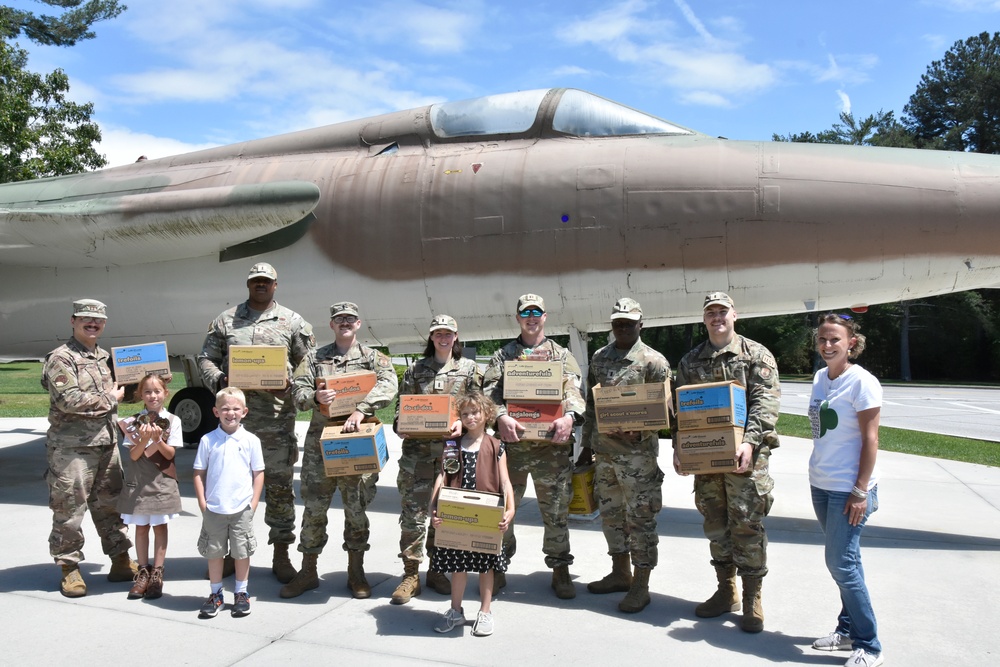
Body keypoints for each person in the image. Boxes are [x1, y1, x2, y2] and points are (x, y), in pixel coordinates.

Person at [197, 261, 315, 584]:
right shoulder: (226, 320)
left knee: (279, 491)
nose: (260, 285)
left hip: (276, 424)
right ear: (248, 285)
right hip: (232, 426)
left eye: (266, 281)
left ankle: (281, 554)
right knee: (229, 489)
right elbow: (204, 358)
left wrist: (293, 384)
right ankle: (232, 554)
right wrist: (221, 379)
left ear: (276, 285)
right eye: (255, 281)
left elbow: (308, 361)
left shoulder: (292, 322)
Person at [672, 291, 780, 633]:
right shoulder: (691, 361)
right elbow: (682, 410)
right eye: (710, 313)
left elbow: (765, 404)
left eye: (722, 311)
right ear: (704, 319)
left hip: (746, 459)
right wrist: (680, 447)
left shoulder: (756, 355)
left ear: (735, 315)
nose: (716, 317)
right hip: (707, 459)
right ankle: (725, 589)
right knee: (716, 524)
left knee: (747, 525)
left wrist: (749, 443)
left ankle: (752, 597)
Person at [282, 301, 398, 599]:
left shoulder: (373, 359)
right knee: (314, 508)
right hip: (321, 446)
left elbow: (388, 385)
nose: (344, 323)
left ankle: (356, 572)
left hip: (357, 443)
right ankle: (308, 570)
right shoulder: (314, 358)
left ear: (358, 324)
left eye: (350, 319)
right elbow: (298, 393)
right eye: (339, 319)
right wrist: (316, 396)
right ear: (332, 325)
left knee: (356, 508)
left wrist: (361, 409)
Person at [481, 293, 586, 599]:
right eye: (525, 313)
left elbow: (574, 391)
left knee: (556, 512)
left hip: (550, 450)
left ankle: (560, 568)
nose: (531, 317)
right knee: (502, 509)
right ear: (518, 318)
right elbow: (489, 393)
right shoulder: (503, 356)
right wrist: (500, 416)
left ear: (544, 316)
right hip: (510, 450)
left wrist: (568, 417)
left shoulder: (561, 355)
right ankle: (497, 566)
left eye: (536, 312)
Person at [577, 298, 669, 613]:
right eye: (618, 322)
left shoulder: (653, 361)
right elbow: (591, 406)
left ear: (640, 324)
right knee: (611, 516)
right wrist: (586, 447)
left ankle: (641, 583)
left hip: (638, 458)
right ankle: (620, 571)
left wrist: (640, 431)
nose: (623, 327)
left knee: (641, 518)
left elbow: (666, 410)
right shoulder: (600, 358)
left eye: (629, 323)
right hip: (604, 454)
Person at [41, 298, 136, 597]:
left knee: (112, 506)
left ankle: (120, 559)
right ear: (73, 321)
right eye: (85, 319)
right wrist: (112, 399)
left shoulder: (105, 357)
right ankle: (69, 568)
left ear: (104, 324)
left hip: (106, 443)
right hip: (72, 449)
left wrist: (147, 385)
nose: (91, 323)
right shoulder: (61, 358)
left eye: (97, 320)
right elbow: (68, 399)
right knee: (69, 509)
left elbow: (119, 395)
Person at [807, 314, 884, 667]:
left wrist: (860, 490)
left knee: (840, 562)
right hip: (821, 484)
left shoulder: (862, 382)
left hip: (849, 489)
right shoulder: (821, 377)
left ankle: (869, 646)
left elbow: (871, 439)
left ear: (851, 342)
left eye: (834, 339)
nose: (827, 345)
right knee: (846, 563)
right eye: (823, 338)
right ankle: (847, 629)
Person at [391, 315, 482, 604]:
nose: (443, 338)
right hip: (417, 456)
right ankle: (410, 575)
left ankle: (437, 570)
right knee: (413, 516)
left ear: (456, 337)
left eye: (448, 333)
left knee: (445, 515)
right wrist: (400, 425)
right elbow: (399, 409)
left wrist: (464, 425)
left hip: (452, 456)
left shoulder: (469, 370)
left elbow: (480, 410)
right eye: (437, 333)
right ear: (431, 337)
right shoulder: (415, 370)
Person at [429, 392, 515, 637]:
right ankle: (455, 611)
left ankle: (485, 612)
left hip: (486, 515)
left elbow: (506, 482)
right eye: (465, 414)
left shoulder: (496, 446)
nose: (470, 417)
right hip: (457, 514)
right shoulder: (452, 445)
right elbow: (442, 477)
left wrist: (510, 510)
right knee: (458, 565)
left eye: (475, 412)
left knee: (485, 566)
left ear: (486, 413)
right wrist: (433, 508)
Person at [193, 387, 265, 619]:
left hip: (241, 508)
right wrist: (203, 503)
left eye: (235, 409)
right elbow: (198, 472)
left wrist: (253, 503)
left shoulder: (251, 440)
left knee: (241, 551)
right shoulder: (208, 440)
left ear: (245, 411)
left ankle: (241, 593)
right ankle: (216, 594)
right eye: (225, 409)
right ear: (215, 412)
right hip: (214, 508)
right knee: (214, 553)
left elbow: (258, 473)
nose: (230, 413)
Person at [117, 373, 183, 600]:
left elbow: (170, 454)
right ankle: (143, 571)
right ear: (140, 395)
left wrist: (157, 439)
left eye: (157, 391)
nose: (152, 396)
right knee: (141, 527)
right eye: (147, 392)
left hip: (161, 481)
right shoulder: (133, 422)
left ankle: (158, 573)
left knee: (160, 526)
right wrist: (144, 439)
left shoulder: (173, 420)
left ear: (165, 393)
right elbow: (134, 456)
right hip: (140, 482)